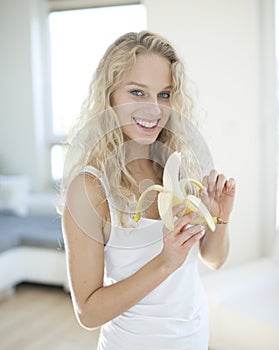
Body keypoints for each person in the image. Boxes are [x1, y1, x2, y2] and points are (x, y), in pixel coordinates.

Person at [61, 31, 236, 350]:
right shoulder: (89, 188)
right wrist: (165, 261)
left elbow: (214, 259)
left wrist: (219, 217)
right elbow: (87, 312)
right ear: (110, 96)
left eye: (164, 95)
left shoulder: (181, 168)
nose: (153, 109)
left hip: (194, 338)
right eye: (138, 92)